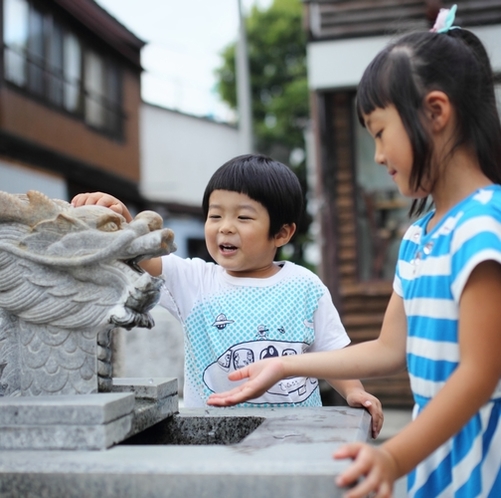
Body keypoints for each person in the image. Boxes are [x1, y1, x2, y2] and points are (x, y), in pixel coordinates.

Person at [207, 6, 501, 497]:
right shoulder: (421, 236)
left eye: (381, 133)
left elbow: (478, 373)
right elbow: (389, 349)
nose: (379, 155)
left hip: (483, 465)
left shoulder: (483, 226)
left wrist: (393, 455)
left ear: (435, 113)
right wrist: (286, 364)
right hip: (440, 465)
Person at [72, 153, 383, 438]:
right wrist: (121, 218)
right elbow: (142, 254)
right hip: (213, 438)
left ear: (282, 233)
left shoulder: (305, 286)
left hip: (297, 436)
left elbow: (333, 354)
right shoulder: (194, 280)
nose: (225, 228)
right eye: (215, 215)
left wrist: (353, 391)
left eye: (243, 218)